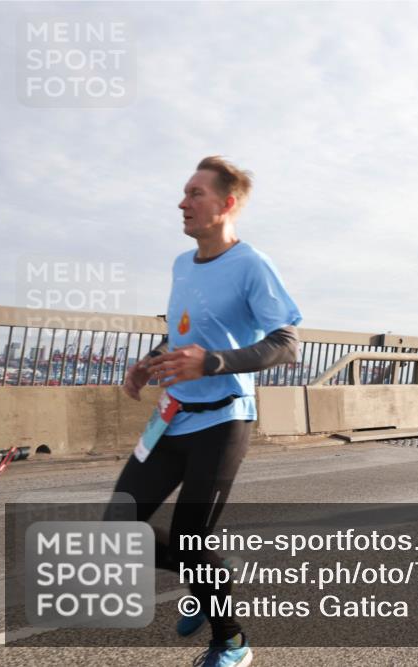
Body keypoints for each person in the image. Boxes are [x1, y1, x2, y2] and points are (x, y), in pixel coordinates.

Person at [114, 157, 301, 667]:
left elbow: (286, 344)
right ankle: (209, 572)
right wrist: (148, 363)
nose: (182, 202)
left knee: (189, 539)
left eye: (195, 193)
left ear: (227, 204)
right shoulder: (180, 264)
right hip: (174, 416)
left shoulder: (252, 265)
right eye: (184, 193)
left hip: (223, 419)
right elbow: (182, 335)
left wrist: (213, 362)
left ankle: (233, 643)